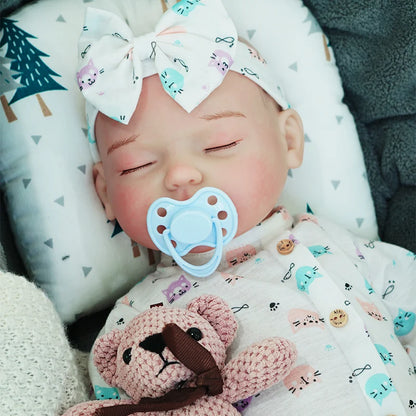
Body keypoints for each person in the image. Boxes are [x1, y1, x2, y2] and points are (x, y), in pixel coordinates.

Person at [77, 1, 416, 414]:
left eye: (219, 145)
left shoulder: (339, 246)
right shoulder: (136, 320)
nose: (181, 174)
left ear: (289, 141)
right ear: (106, 192)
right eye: (138, 164)